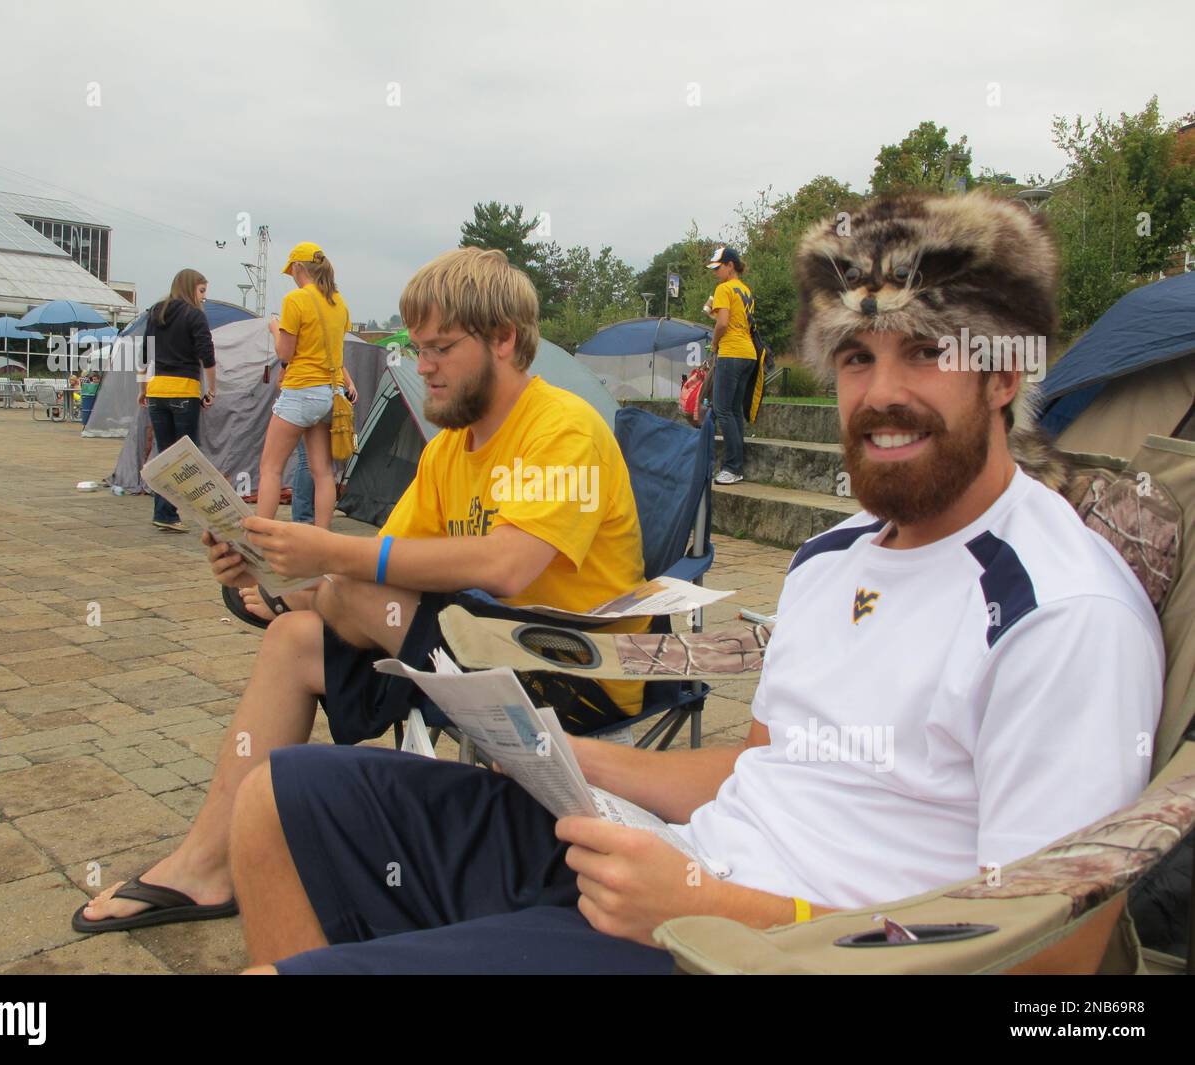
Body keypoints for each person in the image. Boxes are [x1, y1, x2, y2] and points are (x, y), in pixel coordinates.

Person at [226, 192, 1164, 975]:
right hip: (672, 869)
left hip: (762, 950)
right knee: (283, 799)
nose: (881, 394)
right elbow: (758, 767)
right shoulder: (834, 556)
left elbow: (1048, 963)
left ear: (1003, 376)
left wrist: (708, 906)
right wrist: (568, 762)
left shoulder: (1059, 613)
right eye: (855, 357)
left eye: (925, 352)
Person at [72, 247, 650, 934]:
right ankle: (207, 863)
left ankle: (290, 603)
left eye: (441, 348)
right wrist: (264, 564)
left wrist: (325, 556)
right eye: (417, 347)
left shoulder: (562, 427)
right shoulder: (447, 451)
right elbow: (378, 570)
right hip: (476, 654)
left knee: (348, 592)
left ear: (503, 340)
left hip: (571, 668)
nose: (422, 364)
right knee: (296, 635)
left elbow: (508, 565)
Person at [257, 242, 356, 527]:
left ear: (299, 268)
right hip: (332, 392)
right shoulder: (339, 303)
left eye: (292, 272)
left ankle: (260, 536)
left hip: (301, 391)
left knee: (270, 468)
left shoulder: (295, 300)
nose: (292, 277)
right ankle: (321, 538)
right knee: (323, 472)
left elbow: (285, 353)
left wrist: (275, 328)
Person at [138, 268, 216, 532]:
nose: (204, 297)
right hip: (184, 391)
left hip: (157, 391)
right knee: (186, 457)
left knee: (166, 454)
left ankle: (165, 512)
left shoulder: (156, 312)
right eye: (202, 290)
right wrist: (212, 390)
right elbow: (207, 356)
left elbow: (144, 354)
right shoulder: (195, 316)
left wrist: (143, 389)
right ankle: (185, 511)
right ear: (191, 287)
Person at [706, 246, 759, 485]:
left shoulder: (723, 289)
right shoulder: (745, 290)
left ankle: (731, 467)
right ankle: (737, 465)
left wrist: (714, 344)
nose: (716, 272)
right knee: (735, 411)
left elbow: (723, 324)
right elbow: (737, 322)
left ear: (730, 265)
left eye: (718, 268)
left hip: (731, 352)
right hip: (748, 354)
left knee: (722, 410)